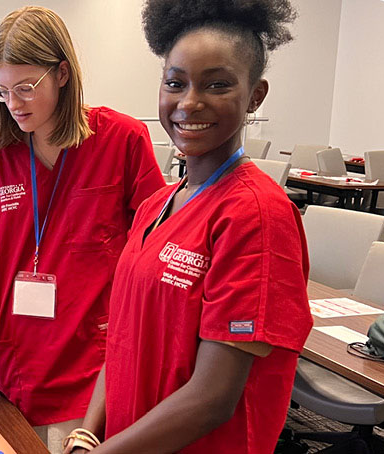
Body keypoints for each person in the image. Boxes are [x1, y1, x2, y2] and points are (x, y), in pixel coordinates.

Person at [69, 2, 311, 453]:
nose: (189, 102)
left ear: (255, 95)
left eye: (217, 84)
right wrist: (89, 432)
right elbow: (121, 342)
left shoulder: (257, 215)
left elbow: (212, 399)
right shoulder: (155, 206)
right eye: (175, 83)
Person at [0, 6, 166, 452]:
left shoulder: (121, 140)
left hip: (92, 362)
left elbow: (149, 251)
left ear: (62, 73)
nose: (14, 105)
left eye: (25, 88)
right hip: (17, 360)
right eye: (1, 92)